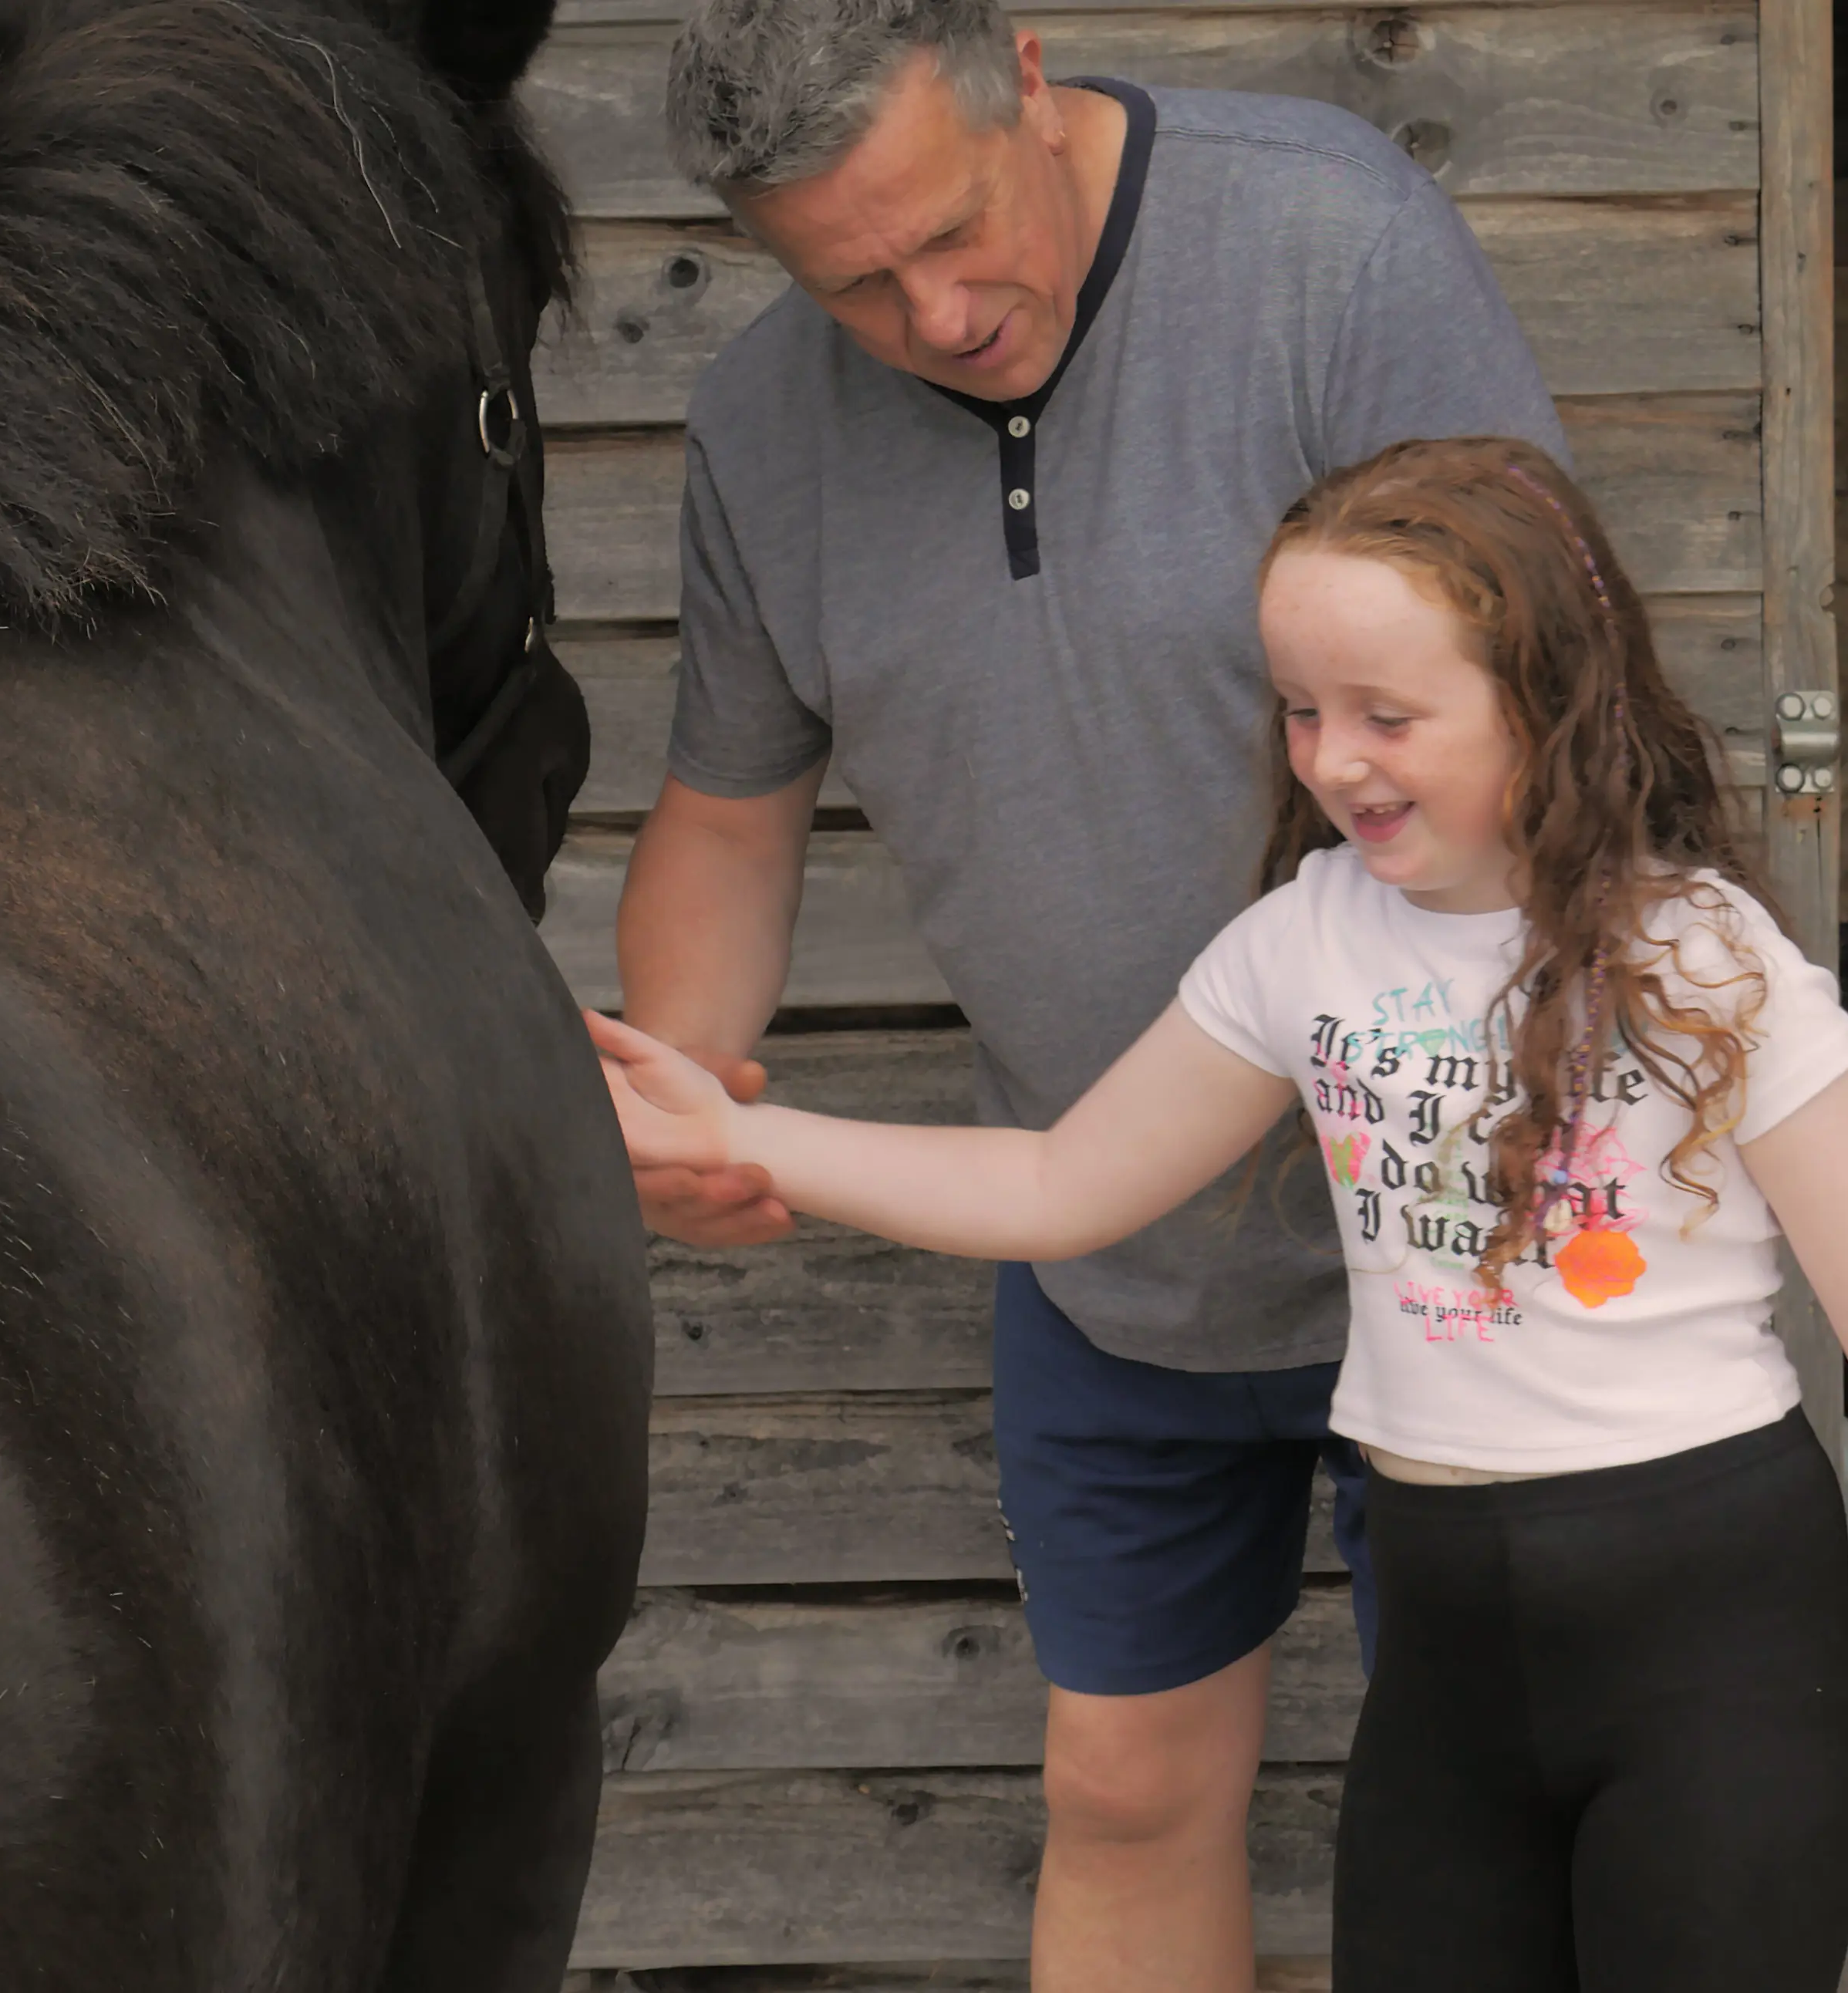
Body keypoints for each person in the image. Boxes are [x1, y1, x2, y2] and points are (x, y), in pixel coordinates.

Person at [595, 437, 1848, 1990]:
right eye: (1301, 709)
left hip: (1712, 1630)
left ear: (1548, 696)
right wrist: (748, 1132)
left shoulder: (1709, 966)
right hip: (1451, 1658)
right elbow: (1059, 1185)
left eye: (1388, 715)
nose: (1330, 758)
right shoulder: (1300, 942)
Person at [628, 2, 1567, 1980]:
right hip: (1105, 1249)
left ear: (1025, 77)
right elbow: (726, 814)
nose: (940, 315)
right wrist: (689, 1088)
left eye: (957, 231)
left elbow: (1541, 702)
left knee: (1499, 1807)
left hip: (1460, 1227)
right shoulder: (760, 429)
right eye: (855, 284)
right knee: (1124, 1788)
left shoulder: (1328, 247)